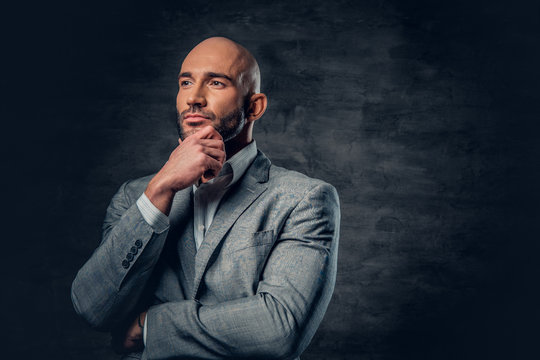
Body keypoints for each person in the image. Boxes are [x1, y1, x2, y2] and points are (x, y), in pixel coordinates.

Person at [71, 37, 340, 360]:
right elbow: (92, 307)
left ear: (254, 107)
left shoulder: (303, 198)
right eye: (186, 82)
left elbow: (281, 328)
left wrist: (151, 326)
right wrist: (160, 190)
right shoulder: (135, 197)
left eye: (216, 82)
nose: (194, 98)